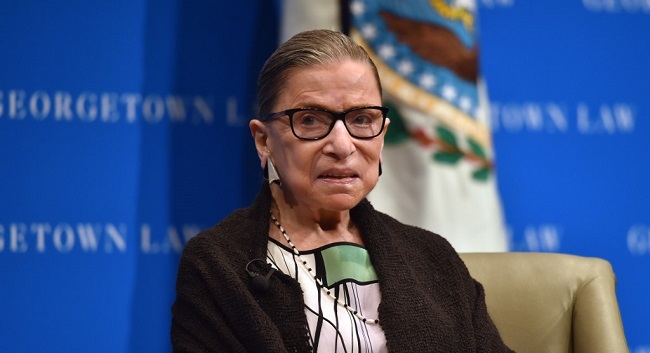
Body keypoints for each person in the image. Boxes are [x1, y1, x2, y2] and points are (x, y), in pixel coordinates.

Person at [171, 29, 513, 353]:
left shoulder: (433, 257)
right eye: (309, 120)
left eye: (362, 120)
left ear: (383, 133)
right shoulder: (218, 264)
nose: (341, 144)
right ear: (264, 140)